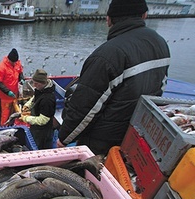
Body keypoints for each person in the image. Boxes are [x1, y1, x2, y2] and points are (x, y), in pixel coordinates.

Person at [57, 0, 170, 156]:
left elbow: (85, 106)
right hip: (134, 134)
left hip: (102, 142)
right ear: (144, 15)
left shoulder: (108, 55)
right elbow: (160, 88)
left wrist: (63, 138)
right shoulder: (160, 43)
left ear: (108, 19)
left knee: (93, 175)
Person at [19, 69, 56, 149]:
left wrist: (25, 118)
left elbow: (43, 120)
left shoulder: (47, 100)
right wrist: (27, 105)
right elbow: (35, 97)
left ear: (43, 83)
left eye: (36, 83)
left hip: (43, 132)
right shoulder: (40, 89)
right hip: (35, 127)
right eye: (33, 83)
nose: (34, 85)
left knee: (39, 148)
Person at [0, 48, 24, 126]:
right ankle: (3, 128)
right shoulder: (2, 67)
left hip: (16, 94)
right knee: (5, 115)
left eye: (16, 62)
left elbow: (20, 72)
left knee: (15, 113)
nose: (14, 63)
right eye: (13, 62)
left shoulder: (17, 62)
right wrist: (8, 92)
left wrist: (22, 79)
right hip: (5, 96)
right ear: (9, 59)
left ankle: (13, 126)